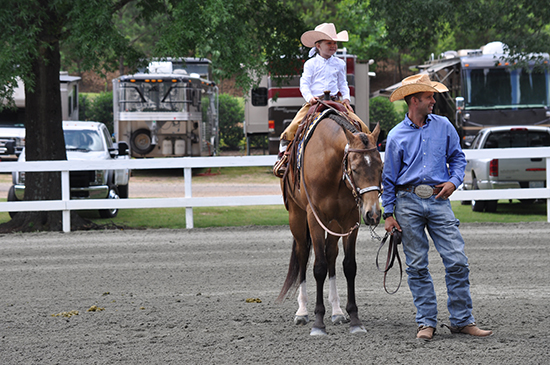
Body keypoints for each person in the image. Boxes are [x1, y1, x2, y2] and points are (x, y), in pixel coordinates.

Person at [382, 74, 493, 340]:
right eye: (430, 97)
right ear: (415, 100)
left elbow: (457, 158)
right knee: (417, 265)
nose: (434, 101)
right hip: (407, 202)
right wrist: (388, 214)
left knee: (457, 260)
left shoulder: (444, 126)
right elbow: (388, 179)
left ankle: (462, 320)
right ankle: (426, 323)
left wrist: (454, 182)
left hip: (439, 199)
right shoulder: (396, 136)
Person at [273, 23, 369, 177]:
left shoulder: (340, 63)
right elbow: (304, 83)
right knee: (294, 125)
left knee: (361, 125)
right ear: (318, 45)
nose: (333, 46)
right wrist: (310, 97)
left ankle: (368, 152)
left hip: (336, 101)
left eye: (334, 43)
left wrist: (346, 98)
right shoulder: (310, 64)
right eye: (329, 43)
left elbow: (343, 83)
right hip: (316, 101)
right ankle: (283, 154)